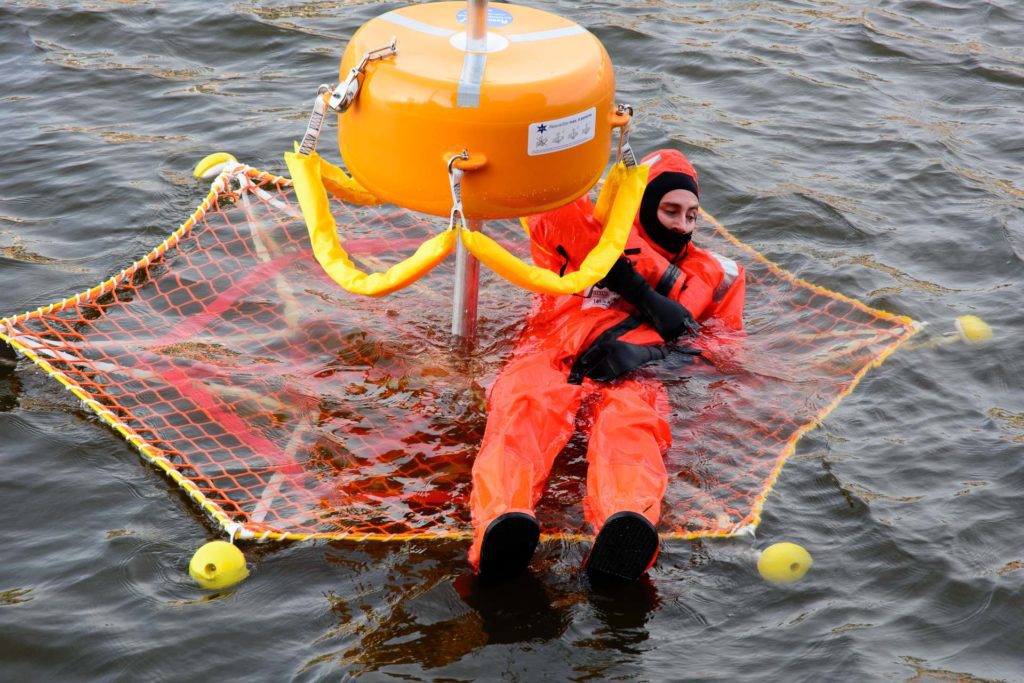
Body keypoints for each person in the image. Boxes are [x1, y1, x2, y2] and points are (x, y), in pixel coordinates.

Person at [469, 149, 746, 582]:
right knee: (520, 413)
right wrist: (643, 292)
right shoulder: (594, 231)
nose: (681, 224)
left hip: (635, 370)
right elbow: (546, 196)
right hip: (550, 352)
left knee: (633, 428)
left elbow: (721, 349)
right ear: (639, 205)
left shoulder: (717, 274)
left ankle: (625, 526)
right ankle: (500, 525)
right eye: (669, 210)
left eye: (692, 214)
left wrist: (656, 358)